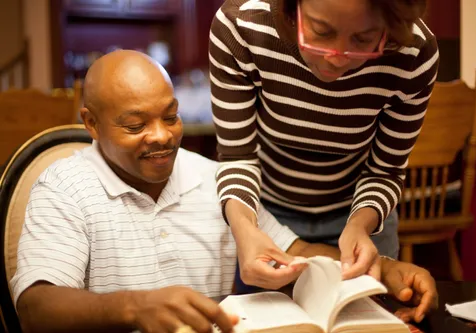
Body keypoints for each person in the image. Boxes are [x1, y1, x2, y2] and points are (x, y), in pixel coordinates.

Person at [12, 50, 437, 333]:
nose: (161, 137)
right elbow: (35, 309)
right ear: (91, 124)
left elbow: (297, 252)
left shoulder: (215, 178)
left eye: (171, 116)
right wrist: (135, 307)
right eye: (136, 125)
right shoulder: (63, 186)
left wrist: (381, 267)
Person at [209, 0, 439, 287]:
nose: (337, 58)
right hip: (267, 216)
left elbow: (385, 171)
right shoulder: (241, 27)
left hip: (360, 214)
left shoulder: (414, 54)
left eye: (364, 39)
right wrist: (245, 228)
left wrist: (359, 225)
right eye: (320, 31)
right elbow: (237, 157)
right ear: (293, 9)